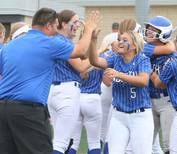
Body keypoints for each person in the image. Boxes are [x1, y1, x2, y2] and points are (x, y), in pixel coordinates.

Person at [0, 7, 99, 154]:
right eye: (55, 26)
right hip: (28, 110)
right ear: (48, 26)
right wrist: (89, 29)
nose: (56, 31)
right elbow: (80, 51)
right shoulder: (48, 42)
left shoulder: (10, 45)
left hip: (3, 109)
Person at [89, 26, 154, 154]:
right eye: (119, 39)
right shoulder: (115, 58)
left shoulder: (142, 59)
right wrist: (93, 40)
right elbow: (94, 61)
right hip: (118, 115)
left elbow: (143, 81)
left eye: (124, 40)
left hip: (140, 115)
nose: (119, 42)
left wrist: (118, 74)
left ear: (134, 46)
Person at [47, 9, 100, 154]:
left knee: (62, 141)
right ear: (63, 23)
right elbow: (82, 66)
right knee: (61, 143)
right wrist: (100, 51)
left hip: (57, 91)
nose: (78, 25)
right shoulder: (60, 40)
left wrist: (93, 40)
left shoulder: (58, 40)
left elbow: (83, 62)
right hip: (66, 92)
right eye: (74, 22)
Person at [142, 15, 176, 154]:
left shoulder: (171, 57)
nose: (149, 32)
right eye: (148, 29)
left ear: (163, 33)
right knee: (144, 141)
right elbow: (168, 48)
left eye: (153, 29)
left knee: (169, 144)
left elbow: (161, 83)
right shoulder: (146, 49)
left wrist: (148, 70)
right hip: (148, 100)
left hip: (167, 101)